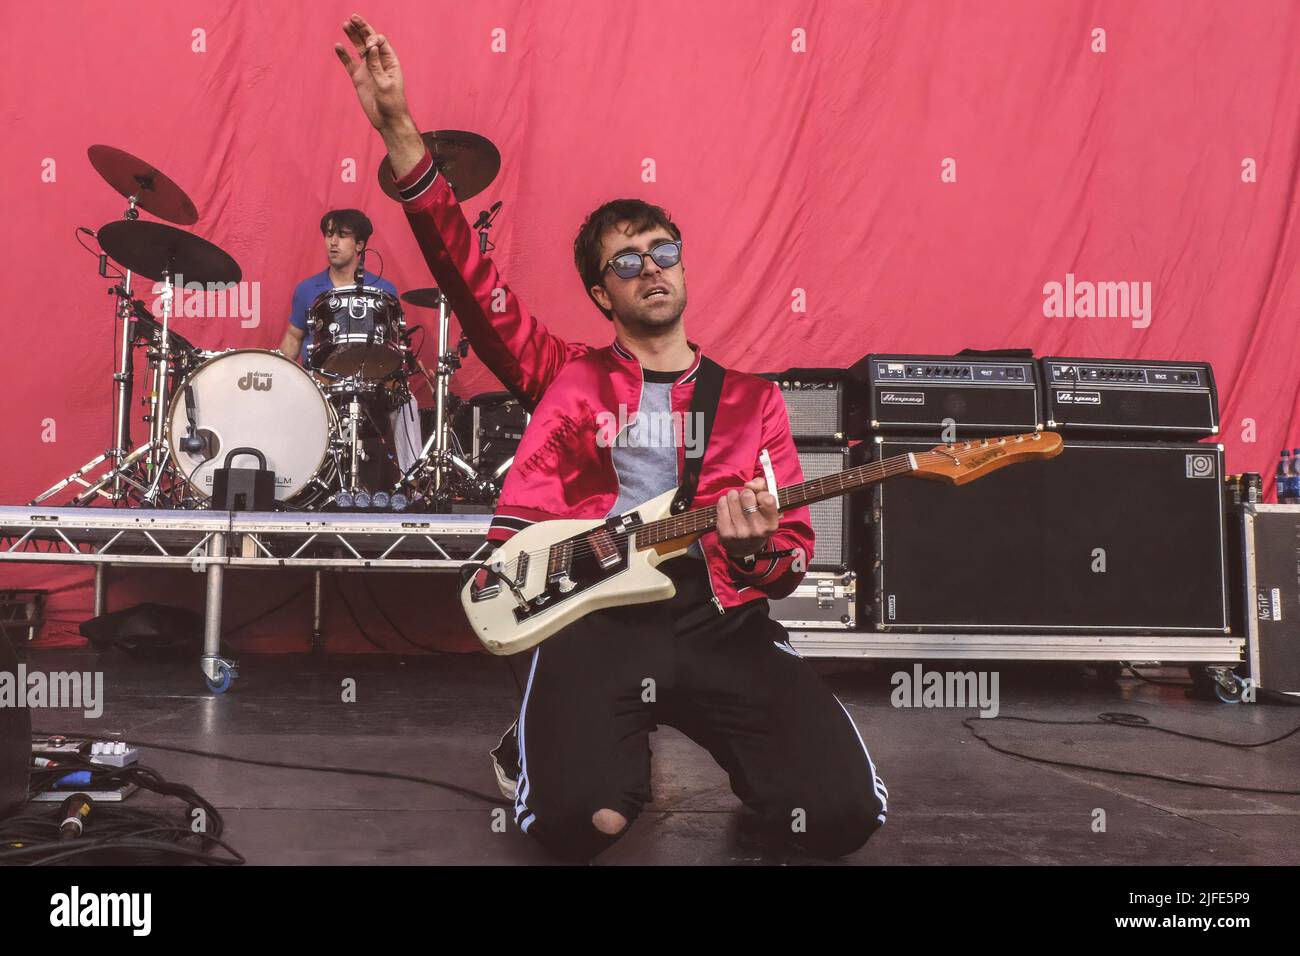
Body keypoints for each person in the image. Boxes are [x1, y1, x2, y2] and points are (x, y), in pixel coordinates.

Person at [335, 13, 887, 861]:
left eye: (663, 251)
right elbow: (469, 281)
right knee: (578, 826)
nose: (652, 267)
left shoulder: (750, 402)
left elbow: (789, 564)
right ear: (602, 294)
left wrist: (752, 551)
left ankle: (735, 753)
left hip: (717, 621)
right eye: (627, 261)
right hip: (591, 614)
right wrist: (402, 133)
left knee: (840, 816)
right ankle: (544, 745)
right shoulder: (566, 374)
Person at [278, 209, 422, 484]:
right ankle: (292, 483)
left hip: (371, 381)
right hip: (321, 382)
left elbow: (393, 344)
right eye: (329, 235)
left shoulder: (384, 289)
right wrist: (282, 376)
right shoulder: (308, 289)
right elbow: (294, 336)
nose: (332, 242)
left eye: (342, 236)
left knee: (407, 403)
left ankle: (411, 484)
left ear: (360, 245)